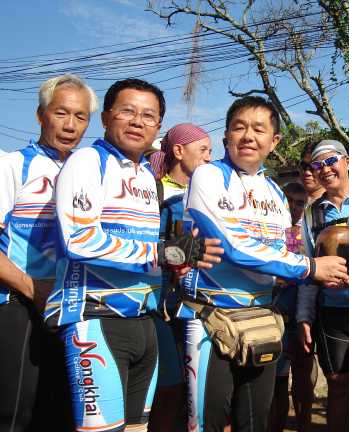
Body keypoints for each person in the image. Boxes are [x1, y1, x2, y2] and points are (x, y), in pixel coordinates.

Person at [44, 78, 222, 432]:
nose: (138, 121)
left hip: (144, 319)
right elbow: (78, 240)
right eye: (128, 111)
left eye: (149, 115)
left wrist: (183, 258)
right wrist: (160, 253)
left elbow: (156, 253)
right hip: (95, 317)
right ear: (107, 117)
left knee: (137, 428)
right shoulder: (86, 161)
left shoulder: (145, 177)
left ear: (158, 126)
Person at [179, 95, 349, 432]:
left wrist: (335, 275)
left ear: (273, 142)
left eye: (259, 129)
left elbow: (279, 255)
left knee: (255, 423)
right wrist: (311, 268)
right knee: (206, 425)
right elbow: (231, 247)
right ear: (226, 136)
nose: (248, 136)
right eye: (239, 127)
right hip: (210, 319)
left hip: (262, 320)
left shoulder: (275, 192)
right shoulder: (207, 176)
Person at [0, 74, 98, 432]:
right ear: (40, 115)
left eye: (81, 116)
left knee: (61, 414)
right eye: (61, 113)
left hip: (73, 308)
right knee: (16, 414)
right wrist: (31, 288)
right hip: (18, 304)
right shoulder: (13, 165)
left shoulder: (90, 171)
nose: (71, 125)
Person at [148, 123, 212, 432]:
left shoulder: (209, 193)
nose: (210, 159)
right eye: (203, 151)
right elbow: (149, 253)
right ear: (178, 151)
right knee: (168, 386)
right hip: (165, 307)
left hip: (200, 309)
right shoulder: (156, 192)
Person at [297, 139, 349, 432]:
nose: (323, 169)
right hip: (333, 311)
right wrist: (303, 317)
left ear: (347, 162)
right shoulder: (312, 214)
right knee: (339, 385)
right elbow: (307, 268)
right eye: (316, 165)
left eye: (330, 161)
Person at [269, 181, 315, 432]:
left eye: (300, 202)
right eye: (288, 200)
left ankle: (304, 424)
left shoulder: (306, 231)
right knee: (276, 381)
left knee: (303, 375)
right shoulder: (271, 228)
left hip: (301, 313)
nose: (293, 207)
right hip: (274, 314)